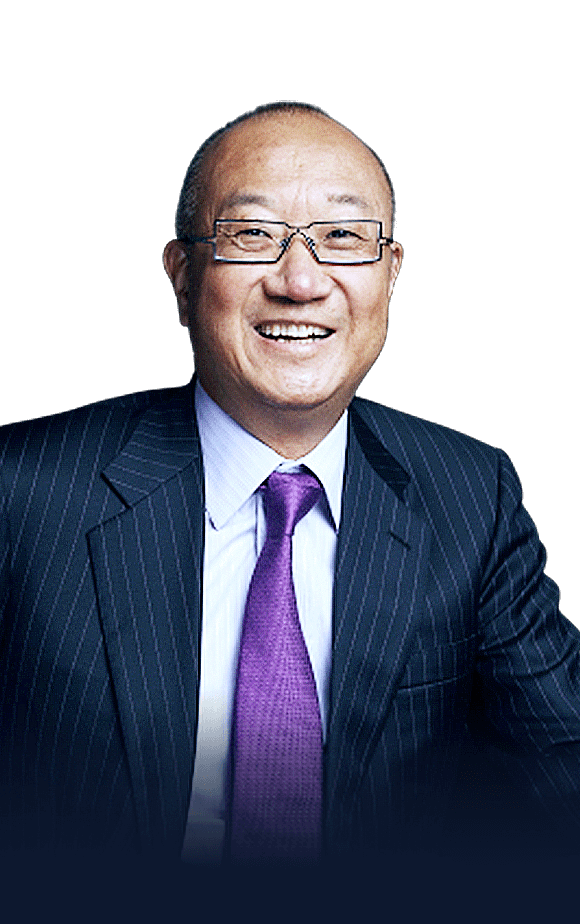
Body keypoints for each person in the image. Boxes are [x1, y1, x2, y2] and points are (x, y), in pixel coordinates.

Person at [0, 102, 578, 868]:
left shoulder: (473, 496)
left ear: (390, 275)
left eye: (343, 237)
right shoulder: (21, 491)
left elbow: (561, 768)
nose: (300, 281)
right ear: (183, 278)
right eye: (252, 234)